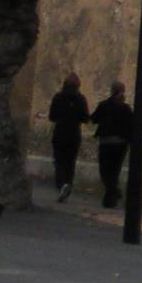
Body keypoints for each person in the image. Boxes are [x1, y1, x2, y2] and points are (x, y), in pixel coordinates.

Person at [90, 81, 136, 209]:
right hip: (121, 144)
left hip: (106, 143)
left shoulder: (104, 105)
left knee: (105, 171)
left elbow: (93, 119)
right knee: (115, 171)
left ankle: (112, 193)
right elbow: (132, 126)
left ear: (111, 90)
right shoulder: (126, 109)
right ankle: (111, 197)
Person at [48, 73, 90, 203]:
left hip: (60, 132)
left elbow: (52, 116)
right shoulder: (81, 99)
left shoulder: (58, 97)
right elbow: (85, 118)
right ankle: (68, 184)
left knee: (59, 160)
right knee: (70, 162)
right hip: (74, 134)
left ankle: (61, 184)